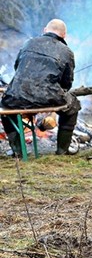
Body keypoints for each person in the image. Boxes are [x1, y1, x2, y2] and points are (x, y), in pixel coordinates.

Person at [1, 19, 81, 156]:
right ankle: (62, 150)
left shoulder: (28, 43)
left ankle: (17, 151)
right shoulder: (67, 52)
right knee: (73, 106)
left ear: (45, 30)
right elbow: (67, 83)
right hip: (49, 97)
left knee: (5, 109)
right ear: (64, 35)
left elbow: (17, 67)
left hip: (17, 95)